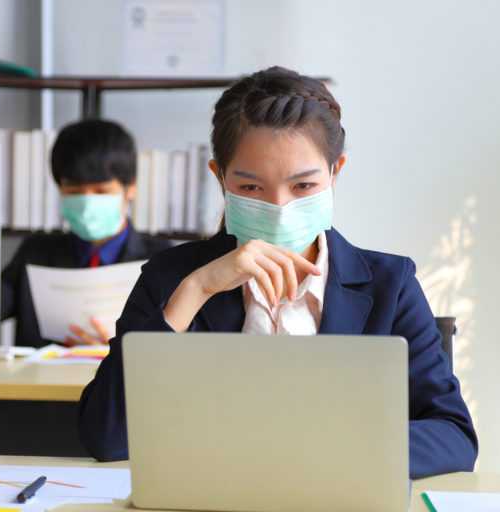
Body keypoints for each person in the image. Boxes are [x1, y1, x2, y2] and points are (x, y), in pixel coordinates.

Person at [77, 67, 478, 479]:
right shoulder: (172, 276)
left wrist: (324, 453)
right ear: (220, 178)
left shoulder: (390, 285)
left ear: (335, 172)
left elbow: (454, 435)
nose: (280, 206)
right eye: (252, 188)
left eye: (302, 187)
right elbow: (107, 437)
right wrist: (197, 289)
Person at [1, 119, 172, 347]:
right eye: (74, 191)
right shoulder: (35, 253)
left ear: (130, 188)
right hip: (44, 382)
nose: (87, 202)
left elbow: (174, 346)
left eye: (101, 191)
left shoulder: (163, 259)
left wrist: (117, 351)